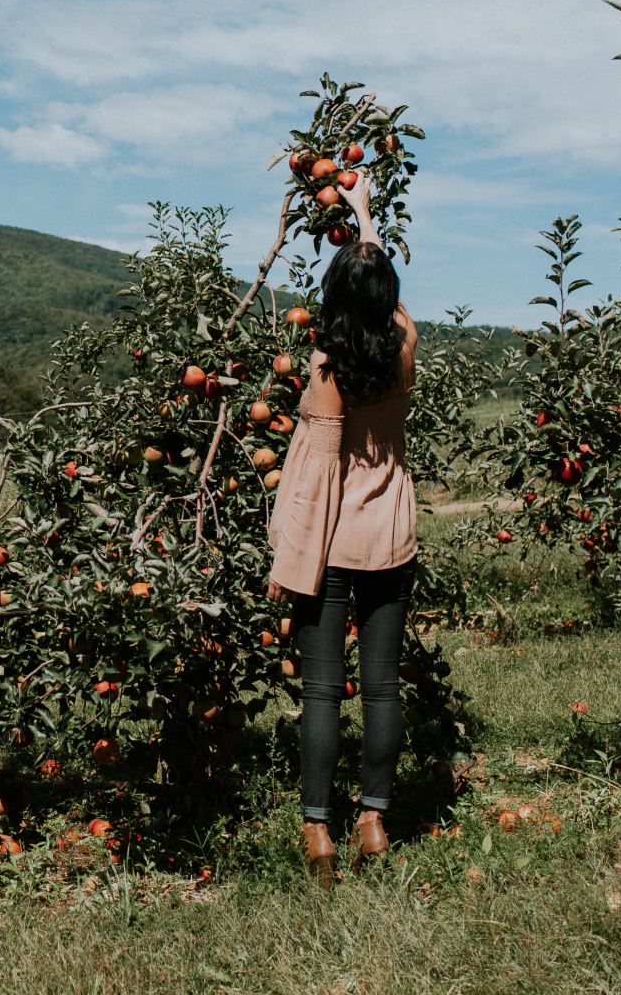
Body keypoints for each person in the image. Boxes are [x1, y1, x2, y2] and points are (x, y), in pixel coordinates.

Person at [265, 171, 418, 886]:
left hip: (329, 546)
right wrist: (367, 220)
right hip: (390, 538)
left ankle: (318, 831)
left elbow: (314, 479)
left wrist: (288, 561)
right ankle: (375, 818)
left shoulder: (326, 370)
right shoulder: (405, 345)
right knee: (382, 688)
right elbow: (378, 290)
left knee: (323, 691)